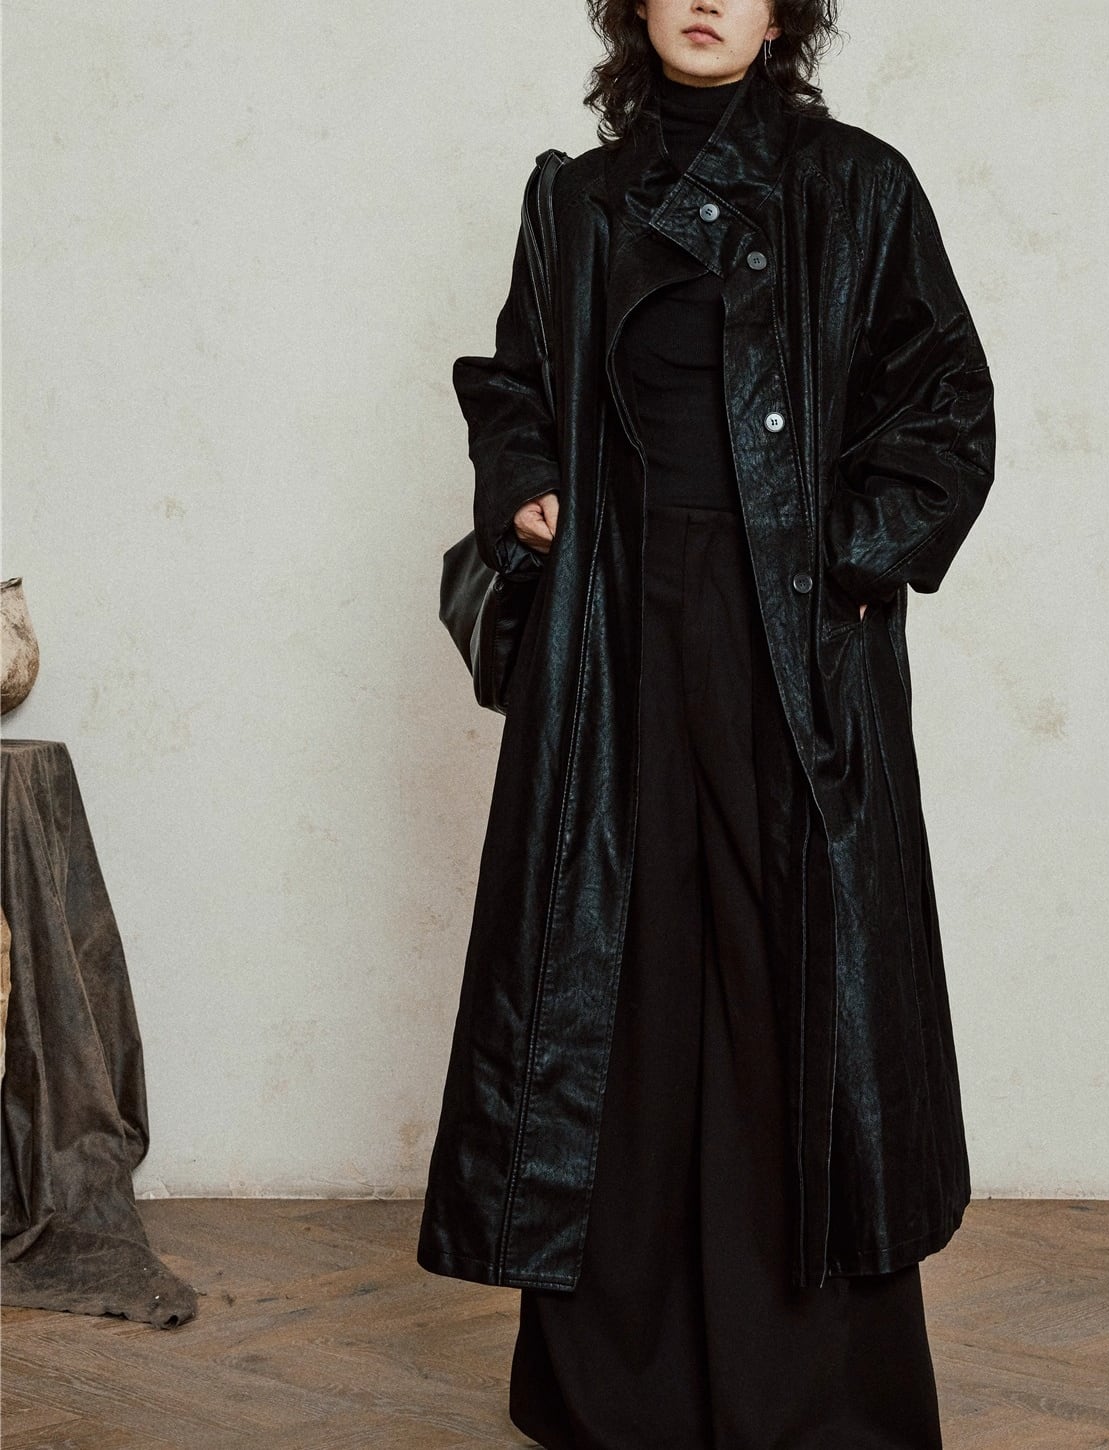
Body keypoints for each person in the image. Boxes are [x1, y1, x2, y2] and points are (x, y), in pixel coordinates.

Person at [417, 1, 997, 1445]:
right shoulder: (576, 199)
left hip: (785, 639)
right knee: (616, 983)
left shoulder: (857, 186)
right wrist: (524, 475)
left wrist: (847, 558)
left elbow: (945, 404)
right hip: (615, 634)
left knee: (786, 983)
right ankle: (618, 1397)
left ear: (785, 13)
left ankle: (813, 1404)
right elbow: (512, 380)